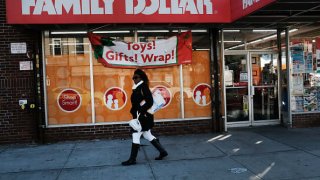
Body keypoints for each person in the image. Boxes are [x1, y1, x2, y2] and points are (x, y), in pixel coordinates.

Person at [122, 69, 168, 166]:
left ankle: (132, 159)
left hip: (143, 117)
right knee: (147, 135)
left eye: (136, 77)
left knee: (136, 134)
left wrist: (141, 111)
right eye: (133, 77)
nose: (134, 79)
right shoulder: (137, 87)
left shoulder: (143, 87)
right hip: (143, 116)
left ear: (141, 78)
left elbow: (150, 102)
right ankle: (162, 151)